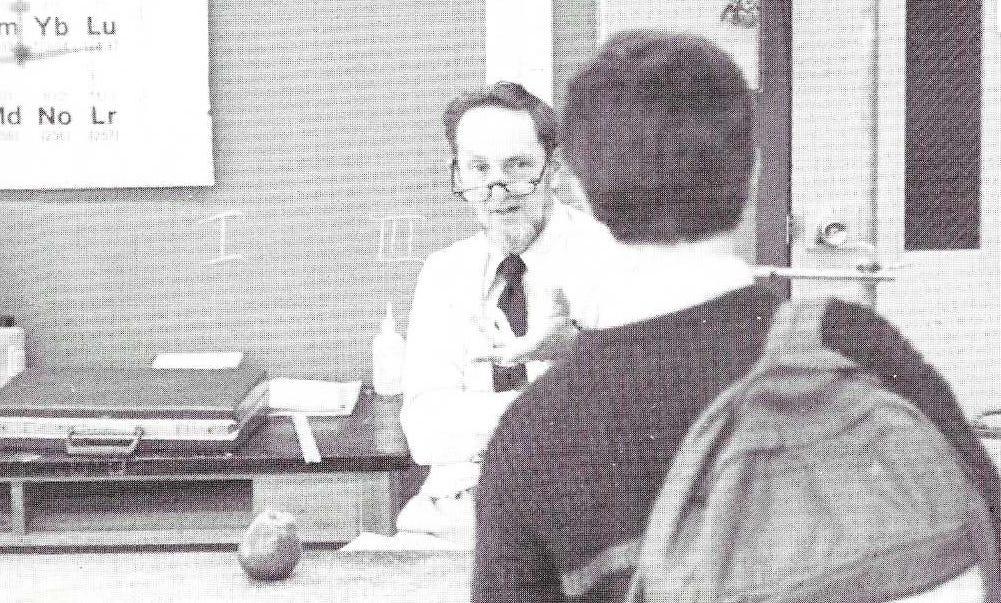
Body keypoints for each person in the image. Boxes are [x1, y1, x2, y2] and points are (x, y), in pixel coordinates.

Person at [472, 31, 1001, 601]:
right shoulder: (851, 343)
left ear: (575, 190)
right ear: (752, 173)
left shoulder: (533, 437)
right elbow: (987, 525)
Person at [394, 81, 618, 547]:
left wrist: (575, 353)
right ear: (458, 175)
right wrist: (554, 403)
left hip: (574, 520)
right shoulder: (445, 273)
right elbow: (426, 432)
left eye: (518, 166)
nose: (498, 191)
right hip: (453, 520)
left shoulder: (611, 259)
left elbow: (620, 419)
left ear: (553, 169)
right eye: (479, 169)